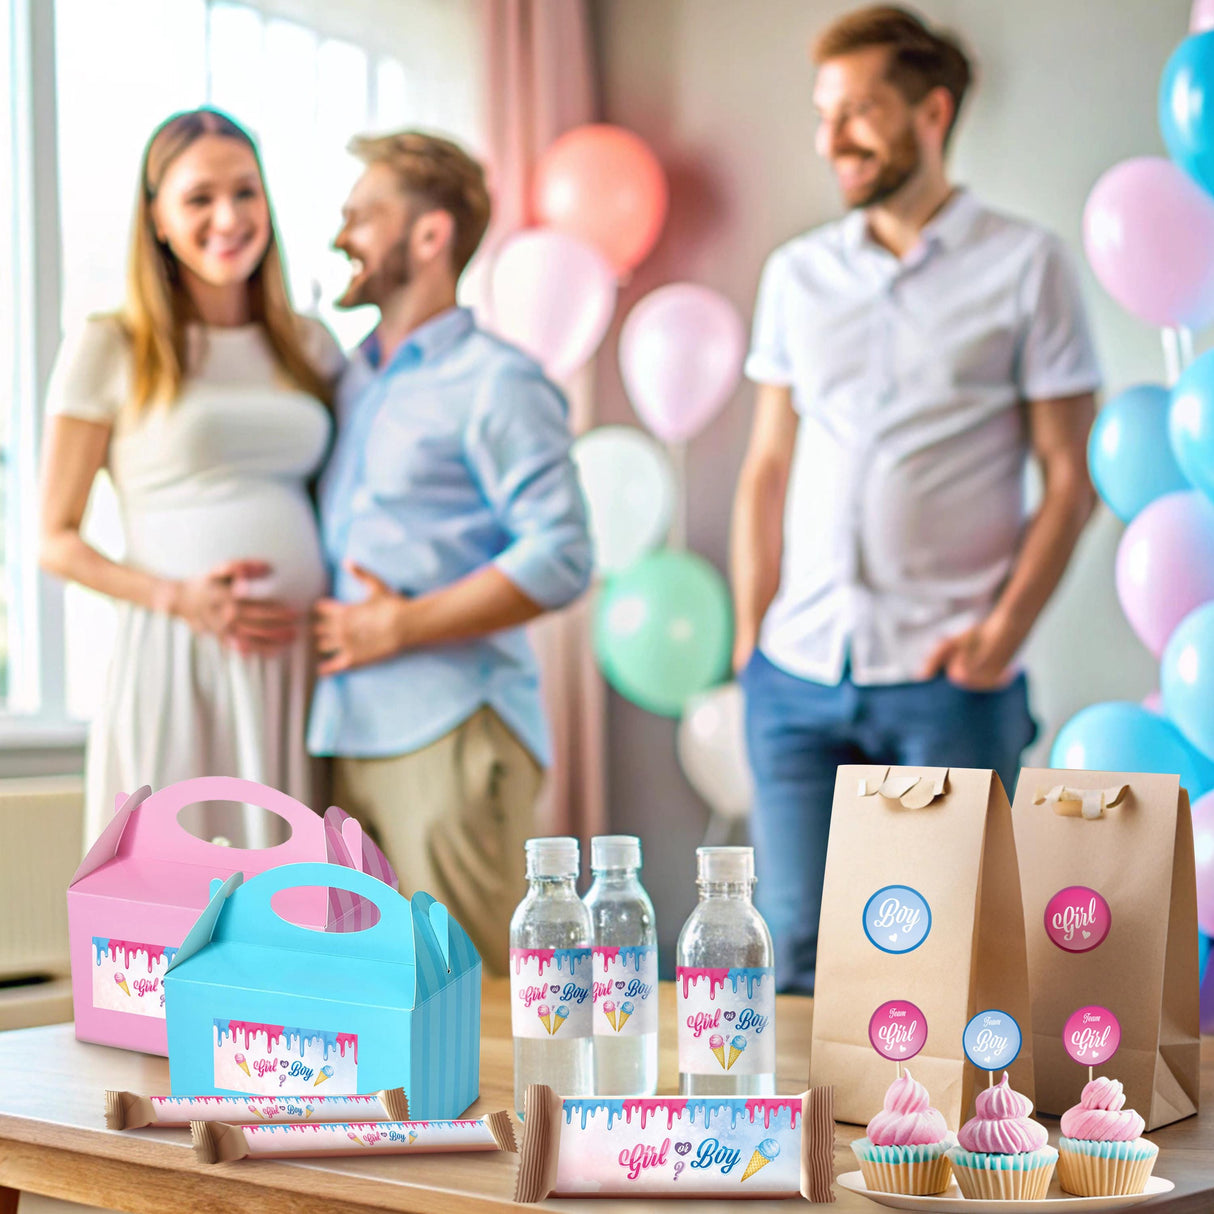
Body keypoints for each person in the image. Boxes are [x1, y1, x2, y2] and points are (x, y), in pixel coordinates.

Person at [731, 6, 1100, 993]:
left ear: (930, 112)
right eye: (823, 113)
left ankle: (932, 1154)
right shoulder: (795, 274)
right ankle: (815, 1155)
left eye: (858, 110)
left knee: (947, 964)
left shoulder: (1026, 266)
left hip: (949, 682)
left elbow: (1070, 475)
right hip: (794, 673)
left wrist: (1001, 633)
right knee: (797, 954)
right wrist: (747, 636)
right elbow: (767, 463)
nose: (832, 137)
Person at [308, 130, 592, 972]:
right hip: (344, 737)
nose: (340, 236)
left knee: (477, 1012)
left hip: (451, 732)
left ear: (429, 236)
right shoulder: (344, 379)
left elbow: (564, 551)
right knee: (371, 1014)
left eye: (363, 216)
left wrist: (402, 627)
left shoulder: (497, 381)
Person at [40, 108, 344, 845]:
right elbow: (54, 539)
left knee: (292, 910)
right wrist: (180, 599)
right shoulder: (111, 344)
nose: (229, 217)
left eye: (245, 192)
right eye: (199, 198)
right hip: (179, 659)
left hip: (293, 666)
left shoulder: (310, 345)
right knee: (176, 895)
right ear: (158, 220)